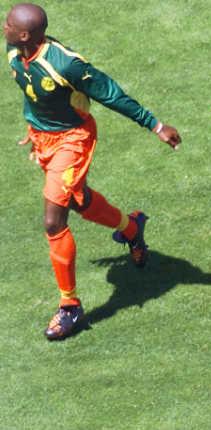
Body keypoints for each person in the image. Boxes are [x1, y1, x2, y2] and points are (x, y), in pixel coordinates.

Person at [4, 3, 181, 340]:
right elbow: (30, 88)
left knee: (53, 221)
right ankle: (132, 228)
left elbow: (110, 93)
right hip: (44, 138)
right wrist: (34, 124)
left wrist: (156, 125)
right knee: (78, 200)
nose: (4, 26)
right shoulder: (14, 49)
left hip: (72, 140)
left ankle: (70, 306)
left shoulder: (66, 64)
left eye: (9, 24)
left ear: (24, 34)